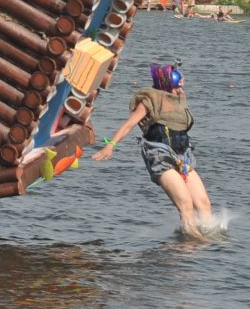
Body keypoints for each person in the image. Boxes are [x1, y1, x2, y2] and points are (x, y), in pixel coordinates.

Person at [92, 62, 216, 237]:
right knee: (186, 204)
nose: (180, 92)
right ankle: (190, 245)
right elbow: (128, 125)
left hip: (183, 156)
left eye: (181, 87)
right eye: (176, 88)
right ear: (166, 85)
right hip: (160, 157)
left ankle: (209, 242)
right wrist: (110, 146)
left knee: (203, 204)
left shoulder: (180, 100)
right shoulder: (150, 100)